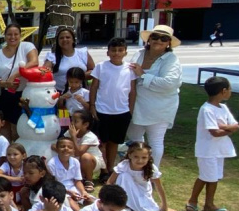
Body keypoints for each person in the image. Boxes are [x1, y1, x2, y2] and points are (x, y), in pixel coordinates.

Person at [127, 24, 182, 168]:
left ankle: (151, 174)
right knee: (134, 139)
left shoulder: (171, 59)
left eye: (163, 38)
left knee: (156, 141)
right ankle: (135, 169)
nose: (158, 41)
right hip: (136, 104)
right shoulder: (138, 53)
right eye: (155, 37)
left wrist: (143, 75)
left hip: (160, 107)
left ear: (168, 43)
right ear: (149, 39)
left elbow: (169, 83)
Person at [187, 76, 239, 211]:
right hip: (207, 150)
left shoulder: (223, 107)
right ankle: (193, 201)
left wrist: (225, 126)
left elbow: (236, 125)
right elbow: (215, 132)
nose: (230, 92)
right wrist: (230, 128)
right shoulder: (207, 110)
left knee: (213, 177)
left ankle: (209, 204)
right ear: (223, 91)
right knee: (205, 176)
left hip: (219, 150)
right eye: (229, 89)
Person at [90, 37, 137, 179]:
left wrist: (130, 110)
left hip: (121, 112)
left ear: (125, 52)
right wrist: (92, 106)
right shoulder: (101, 67)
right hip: (102, 110)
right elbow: (94, 87)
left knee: (114, 142)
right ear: (108, 52)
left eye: (120, 50)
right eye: (113, 50)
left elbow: (132, 91)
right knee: (102, 142)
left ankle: (110, 168)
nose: (117, 53)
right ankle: (103, 170)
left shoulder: (130, 69)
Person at [0, 23, 39, 140]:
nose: (12, 37)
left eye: (16, 34)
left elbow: (34, 62)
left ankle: (19, 153)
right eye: (9, 34)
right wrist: (3, 83)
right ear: (5, 36)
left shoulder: (27, 46)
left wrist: (15, 75)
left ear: (20, 35)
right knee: (4, 125)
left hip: (23, 94)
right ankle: (6, 152)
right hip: (4, 94)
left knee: (20, 125)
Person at [106, 141, 171, 211]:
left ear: (149, 157)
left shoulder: (152, 168)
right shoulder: (124, 165)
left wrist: (164, 205)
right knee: (124, 176)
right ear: (130, 155)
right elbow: (110, 182)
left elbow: (159, 186)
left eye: (144, 158)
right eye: (136, 157)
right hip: (124, 193)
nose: (140, 161)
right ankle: (124, 204)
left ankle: (133, 205)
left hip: (141, 194)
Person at [43, 27, 95, 92]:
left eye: (68, 37)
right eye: (61, 38)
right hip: (59, 93)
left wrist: (77, 76)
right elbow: (44, 72)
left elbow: (93, 71)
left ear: (73, 40)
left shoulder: (83, 53)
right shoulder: (51, 56)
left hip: (81, 94)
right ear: (58, 41)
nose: (64, 39)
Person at [47, 136, 91, 207]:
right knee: (72, 203)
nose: (66, 149)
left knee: (91, 200)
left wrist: (83, 191)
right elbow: (53, 184)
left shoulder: (75, 161)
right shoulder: (52, 163)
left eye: (70, 147)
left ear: (73, 150)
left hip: (73, 188)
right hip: (59, 190)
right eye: (62, 146)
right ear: (57, 149)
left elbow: (77, 181)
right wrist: (69, 193)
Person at [65, 109, 104, 189]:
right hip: (77, 160)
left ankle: (89, 181)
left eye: (75, 121)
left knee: (85, 157)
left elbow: (78, 153)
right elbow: (61, 144)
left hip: (91, 162)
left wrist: (73, 137)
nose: (72, 123)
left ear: (85, 124)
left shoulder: (90, 136)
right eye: (71, 120)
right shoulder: (69, 133)